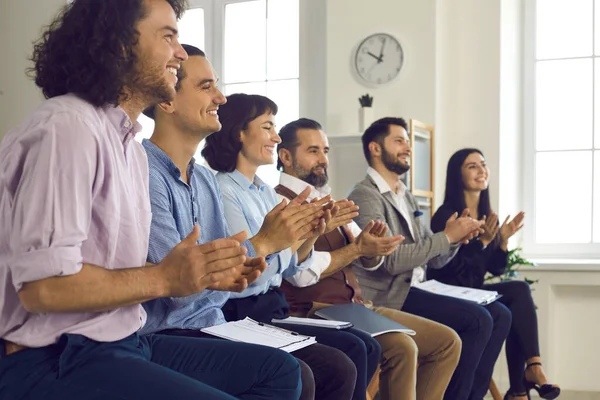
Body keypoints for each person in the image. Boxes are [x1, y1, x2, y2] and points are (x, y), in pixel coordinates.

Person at [0, 2, 302, 399]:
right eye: (168, 36)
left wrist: (207, 272)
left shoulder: (123, 142)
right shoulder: (69, 127)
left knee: (280, 372)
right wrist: (164, 277)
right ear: (119, 44)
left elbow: (116, 268)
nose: (180, 52)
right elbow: (43, 288)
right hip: (57, 356)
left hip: (123, 340)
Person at [140, 44, 362, 400]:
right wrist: (264, 243)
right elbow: (181, 294)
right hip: (169, 332)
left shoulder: (204, 180)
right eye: (206, 86)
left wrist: (291, 239)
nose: (221, 98)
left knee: (337, 365)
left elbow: (234, 279)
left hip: (216, 323)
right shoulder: (145, 173)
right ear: (167, 101)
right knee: (299, 372)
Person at [203, 93, 381, 400]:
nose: (275, 136)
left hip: (273, 305)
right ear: (239, 133)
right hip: (245, 310)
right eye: (268, 127)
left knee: (362, 346)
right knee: (340, 362)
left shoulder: (263, 192)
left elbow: (291, 263)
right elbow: (251, 272)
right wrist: (288, 241)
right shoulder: (223, 190)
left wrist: (314, 232)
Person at [275, 117, 463, 400]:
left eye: (325, 151)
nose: (323, 159)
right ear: (285, 156)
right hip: (313, 308)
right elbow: (300, 274)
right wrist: (359, 249)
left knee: (447, 341)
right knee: (404, 347)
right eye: (313, 151)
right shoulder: (280, 203)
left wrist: (374, 248)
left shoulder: (326, 198)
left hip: (355, 304)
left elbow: (368, 256)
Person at [347, 117, 512, 400]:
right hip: (393, 294)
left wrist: (456, 240)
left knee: (499, 313)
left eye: (408, 141)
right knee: (478, 320)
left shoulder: (405, 195)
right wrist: (447, 237)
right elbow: (390, 261)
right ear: (375, 148)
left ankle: (471, 395)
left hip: (419, 287)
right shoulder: (365, 195)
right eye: (399, 141)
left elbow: (433, 260)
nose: (408, 147)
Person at [430, 148, 560, 400]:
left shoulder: (488, 217)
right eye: (472, 166)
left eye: (483, 164)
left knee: (518, 293)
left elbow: (496, 269)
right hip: (448, 295)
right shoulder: (447, 216)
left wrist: (501, 242)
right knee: (513, 299)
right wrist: (484, 243)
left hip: (472, 292)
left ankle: (532, 369)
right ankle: (521, 388)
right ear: (458, 175)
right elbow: (457, 275)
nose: (482, 170)